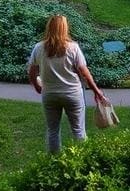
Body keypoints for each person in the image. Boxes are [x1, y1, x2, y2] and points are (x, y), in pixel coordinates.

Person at [27, 14, 108, 154]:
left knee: (52, 130)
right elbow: (84, 72)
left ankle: (54, 161)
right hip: (72, 94)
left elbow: (31, 71)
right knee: (78, 130)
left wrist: (37, 86)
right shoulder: (73, 48)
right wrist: (96, 90)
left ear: (49, 28)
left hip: (50, 94)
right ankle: (80, 161)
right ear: (65, 28)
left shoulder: (38, 48)